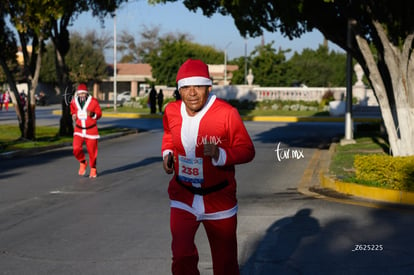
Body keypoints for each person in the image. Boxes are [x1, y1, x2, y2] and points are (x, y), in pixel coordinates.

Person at [161, 59, 255, 275]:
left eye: (198, 86)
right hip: (183, 196)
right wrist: (167, 154)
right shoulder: (172, 111)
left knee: (225, 264)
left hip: (219, 200)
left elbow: (247, 150)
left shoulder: (226, 113)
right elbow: (168, 135)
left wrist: (220, 154)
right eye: (185, 87)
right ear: (179, 90)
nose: (192, 93)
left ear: (209, 87)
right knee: (182, 256)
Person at [70, 83, 102, 178]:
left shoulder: (94, 102)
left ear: (87, 93)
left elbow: (99, 114)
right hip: (79, 130)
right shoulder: (74, 102)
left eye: (83, 93)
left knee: (92, 152)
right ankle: (83, 162)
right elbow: (73, 111)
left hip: (91, 130)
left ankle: (93, 168)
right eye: (80, 94)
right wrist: (74, 116)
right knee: (76, 149)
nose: (81, 95)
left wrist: (92, 114)